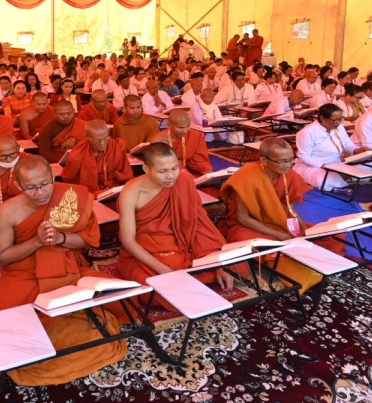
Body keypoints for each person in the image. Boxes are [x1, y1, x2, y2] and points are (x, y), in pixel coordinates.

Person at [0, 157, 127, 385]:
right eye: (31, 188)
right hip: (24, 272)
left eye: (45, 184)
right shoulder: (8, 210)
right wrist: (36, 242)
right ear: (19, 186)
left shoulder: (73, 197)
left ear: (52, 177)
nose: (40, 192)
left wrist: (61, 237)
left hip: (66, 266)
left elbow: (87, 243)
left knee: (120, 300)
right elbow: (1, 256)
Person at [116, 143, 230, 303]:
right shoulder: (132, 192)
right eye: (162, 171)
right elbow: (128, 240)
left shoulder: (184, 180)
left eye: (174, 168)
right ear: (146, 170)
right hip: (151, 243)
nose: (171, 176)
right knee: (158, 293)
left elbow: (196, 222)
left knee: (234, 265)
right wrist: (163, 270)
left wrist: (216, 263)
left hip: (183, 237)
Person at [218, 138, 323, 291]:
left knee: (325, 236)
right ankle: (303, 275)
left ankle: (314, 262)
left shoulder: (288, 175)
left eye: (290, 160)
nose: (288, 165)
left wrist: (302, 231)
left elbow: (290, 208)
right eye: (282, 161)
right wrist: (278, 234)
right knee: (268, 246)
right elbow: (243, 218)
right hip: (247, 225)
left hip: (278, 220)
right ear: (264, 160)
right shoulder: (247, 177)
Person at [294, 104, 363, 189]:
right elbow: (303, 156)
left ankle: (343, 177)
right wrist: (324, 166)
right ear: (322, 118)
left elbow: (347, 143)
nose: (338, 123)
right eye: (335, 120)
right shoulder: (308, 132)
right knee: (324, 181)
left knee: (368, 167)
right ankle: (343, 178)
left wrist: (356, 150)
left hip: (337, 165)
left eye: (341, 119)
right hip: (314, 167)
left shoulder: (339, 126)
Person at [60, 120, 134, 192]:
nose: (102, 143)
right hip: (89, 191)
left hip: (114, 187)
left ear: (108, 132)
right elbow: (70, 178)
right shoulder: (78, 154)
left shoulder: (117, 146)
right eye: (96, 140)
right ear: (87, 138)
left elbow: (126, 173)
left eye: (105, 138)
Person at [150, 108, 212, 176]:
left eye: (188, 126)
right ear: (169, 125)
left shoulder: (197, 136)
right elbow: (161, 167)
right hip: (169, 175)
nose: (185, 131)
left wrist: (209, 176)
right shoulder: (158, 140)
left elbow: (200, 162)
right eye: (180, 128)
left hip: (191, 171)